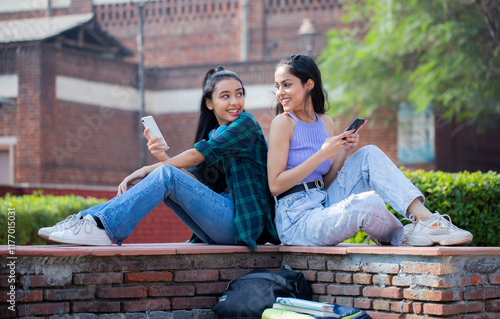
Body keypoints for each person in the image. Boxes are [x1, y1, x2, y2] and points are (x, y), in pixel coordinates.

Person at [39, 67, 279, 250]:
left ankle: (103, 228)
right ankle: (88, 220)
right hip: (224, 221)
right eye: (225, 96)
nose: (235, 102)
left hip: (242, 224)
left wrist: (147, 168)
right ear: (210, 103)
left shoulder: (246, 124)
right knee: (166, 176)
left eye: (239, 94)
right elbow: (193, 185)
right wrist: (161, 157)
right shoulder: (216, 134)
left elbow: (195, 156)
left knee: (164, 174)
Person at [267, 54, 473, 247]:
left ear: (309, 84)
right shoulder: (283, 123)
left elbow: (325, 181)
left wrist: (343, 151)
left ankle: (428, 221)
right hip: (296, 218)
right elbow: (275, 185)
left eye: (287, 85)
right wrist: (323, 153)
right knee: (368, 202)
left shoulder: (325, 122)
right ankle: (403, 237)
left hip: (323, 200)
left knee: (369, 153)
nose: (280, 93)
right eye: (278, 86)